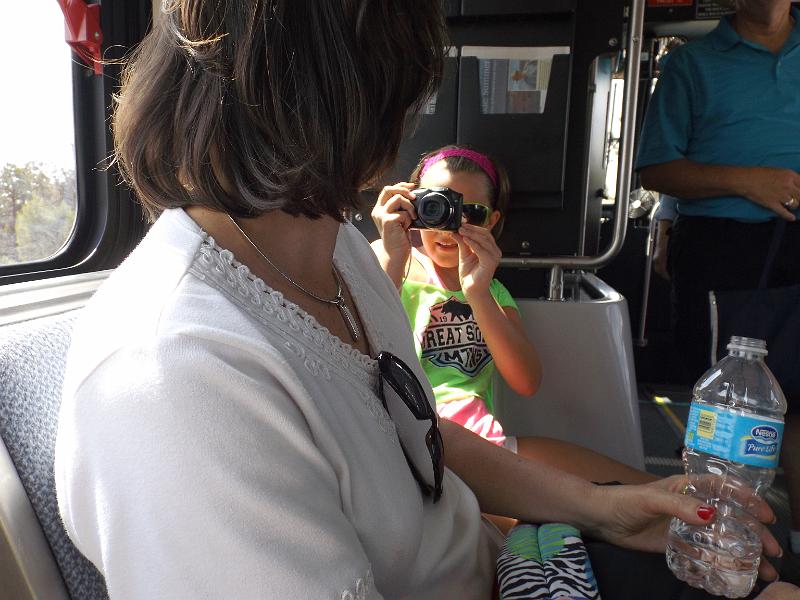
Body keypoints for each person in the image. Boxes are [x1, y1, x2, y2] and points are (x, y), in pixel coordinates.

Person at [52, 1, 790, 598]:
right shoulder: (178, 375)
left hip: (506, 563)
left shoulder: (334, 249)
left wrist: (605, 510)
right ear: (360, 91)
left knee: (762, 564)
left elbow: (417, 436)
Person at [371, 145, 653, 487]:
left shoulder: (493, 293)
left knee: (635, 485)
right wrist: (392, 255)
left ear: (491, 221)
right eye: (435, 206)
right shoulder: (389, 262)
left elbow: (526, 381)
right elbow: (358, 345)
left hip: (479, 444)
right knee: (584, 500)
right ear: (412, 206)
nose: (450, 225)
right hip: (405, 437)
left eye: (469, 212)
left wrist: (477, 293)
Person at [636, 0, 800, 568]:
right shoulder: (692, 65)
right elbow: (654, 167)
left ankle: (796, 548)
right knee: (727, 410)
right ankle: (710, 543)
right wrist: (746, 181)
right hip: (725, 252)